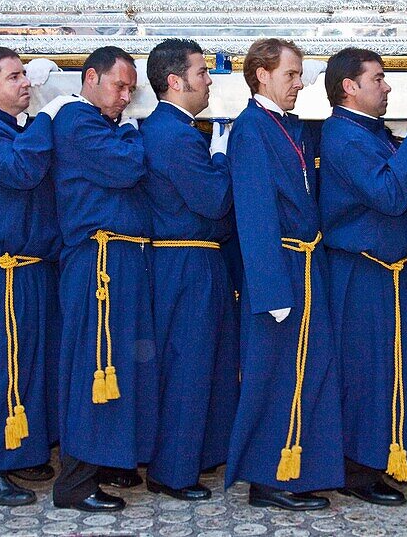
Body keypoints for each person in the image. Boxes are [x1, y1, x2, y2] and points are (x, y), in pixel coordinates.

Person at [318, 47, 407, 506]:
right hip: (361, 271)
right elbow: (389, 194)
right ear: (349, 87)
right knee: (365, 371)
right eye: (377, 79)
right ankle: (356, 470)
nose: (387, 86)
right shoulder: (344, 136)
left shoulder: (369, 132)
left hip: (385, 270)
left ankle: (378, 456)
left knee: (386, 369)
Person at [0, 46, 78, 507]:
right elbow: (20, 172)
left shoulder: (14, 127)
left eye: (25, 74)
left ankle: (19, 450)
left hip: (27, 268)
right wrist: (47, 118)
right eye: (14, 78)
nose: (25, 83)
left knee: (28, 366)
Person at [225, 38, 343, 511]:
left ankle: (295, 468)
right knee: (274, 375)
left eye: (299, 74)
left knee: (306, 372)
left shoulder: (285, 126)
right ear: (262, 75)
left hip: (305, 264)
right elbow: (255, 214)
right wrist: (271, 289)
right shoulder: (252, 129)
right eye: (291, 74)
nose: (300, 83)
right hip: (280, 269)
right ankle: (269, 478)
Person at [50, 46, 152, 513]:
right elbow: (126, 167)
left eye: (132, 89)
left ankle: (107, 460)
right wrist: (132, 130)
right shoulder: (76, 119)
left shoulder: (102, 123)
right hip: (98, 264)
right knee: (94, 365)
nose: (126, 97)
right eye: (120, 85)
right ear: (91, 78)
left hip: (118, 260)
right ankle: (75, 483)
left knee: (117, 365)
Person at [140, 39, 239, 501]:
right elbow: (214, 200)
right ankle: (173, 471)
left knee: (202, 361)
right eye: (202, 73)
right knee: (188, 365)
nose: (209, 80)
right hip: (186, 260)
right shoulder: (175, 133)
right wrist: (222, 157)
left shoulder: (173, 129)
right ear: (175, 82)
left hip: (191, 257)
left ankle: (193, 456)